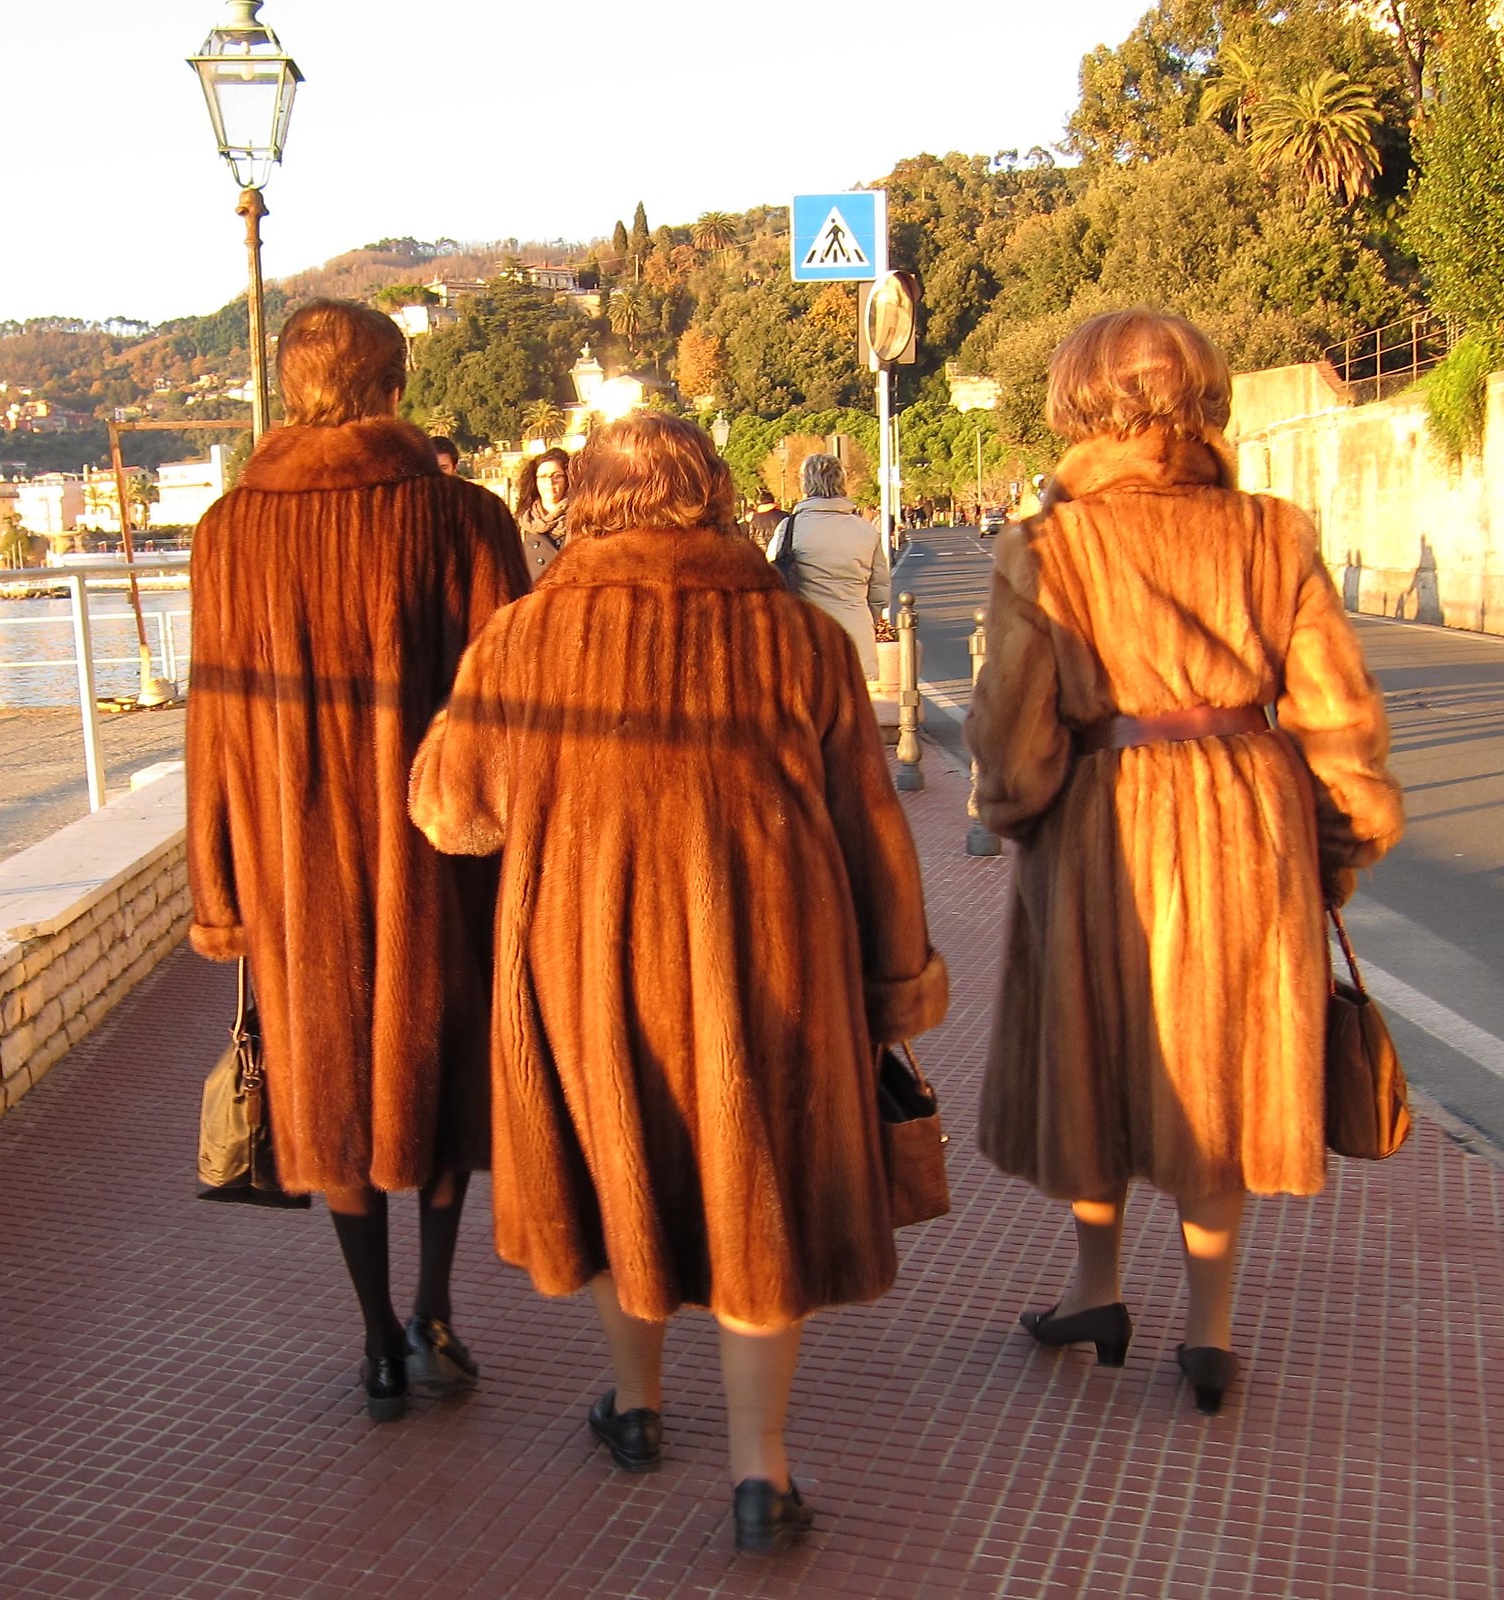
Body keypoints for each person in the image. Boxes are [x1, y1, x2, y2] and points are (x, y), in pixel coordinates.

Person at [410, 412, 946, 1552]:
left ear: (584, 500)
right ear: (708, 492)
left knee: (617, 1174)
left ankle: (640, 1410)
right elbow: (870, 825)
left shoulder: (522, 637)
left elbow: (451, 811)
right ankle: (762, 1474)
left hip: (586, 956)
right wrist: (899, 981)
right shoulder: (796, 637)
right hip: (773, 958)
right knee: (762, 1195)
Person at [966, 308, 1403, 1417]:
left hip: (1102, 827)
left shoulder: (1048, 546)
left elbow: (1014, 739)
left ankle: (1096, 1289)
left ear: (1077, 405)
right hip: (1247, 817)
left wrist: (1021, 815)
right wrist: (1333, 851)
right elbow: (1339, 720)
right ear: (1205, 399)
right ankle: (1209, 1332)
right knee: (1221, 1068)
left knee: (1094, 1059)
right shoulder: (1274, 532)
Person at [187, 299, 531, 1424]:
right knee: (436, 1074)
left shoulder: (229, 529)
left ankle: (375, 1337)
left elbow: (213, 721)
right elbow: (508, 702)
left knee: (325, 1080)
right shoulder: (464, 517)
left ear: (292, 387)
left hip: (295, 859)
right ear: (393, 383)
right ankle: (434, 1313)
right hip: (440, 850)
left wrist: (218, 886)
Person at [767, 452, 891, 681]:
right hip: (854, 638)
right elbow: (880, 592)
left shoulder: (790, 529)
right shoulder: (866, 531)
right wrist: (865, 618)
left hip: (805, 635)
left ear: (805, 485)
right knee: (855, 711)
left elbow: (771, 578)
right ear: (842, 484)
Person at [515, 447, 569, 581]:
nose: (550, 482)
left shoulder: (582, 520)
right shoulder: (521, 525)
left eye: (556, 476)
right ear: (535, 481)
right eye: (543, 477)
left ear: (567, 479)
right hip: (535, 598)